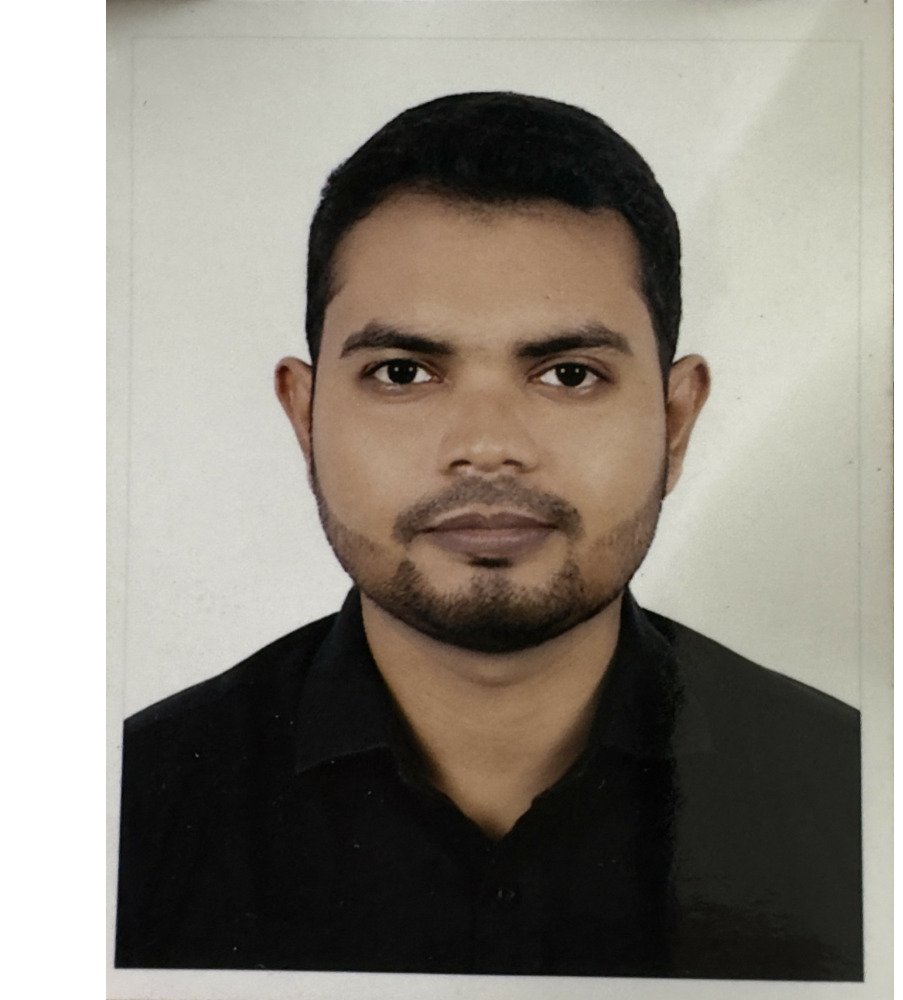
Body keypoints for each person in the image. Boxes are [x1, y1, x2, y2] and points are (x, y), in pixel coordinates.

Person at [114, 92, 862, 980]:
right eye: (403, 372)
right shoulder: (121, 805)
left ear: (675, 420)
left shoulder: (862, 794)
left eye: (569, 374)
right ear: (305, 416)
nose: (487, 445)